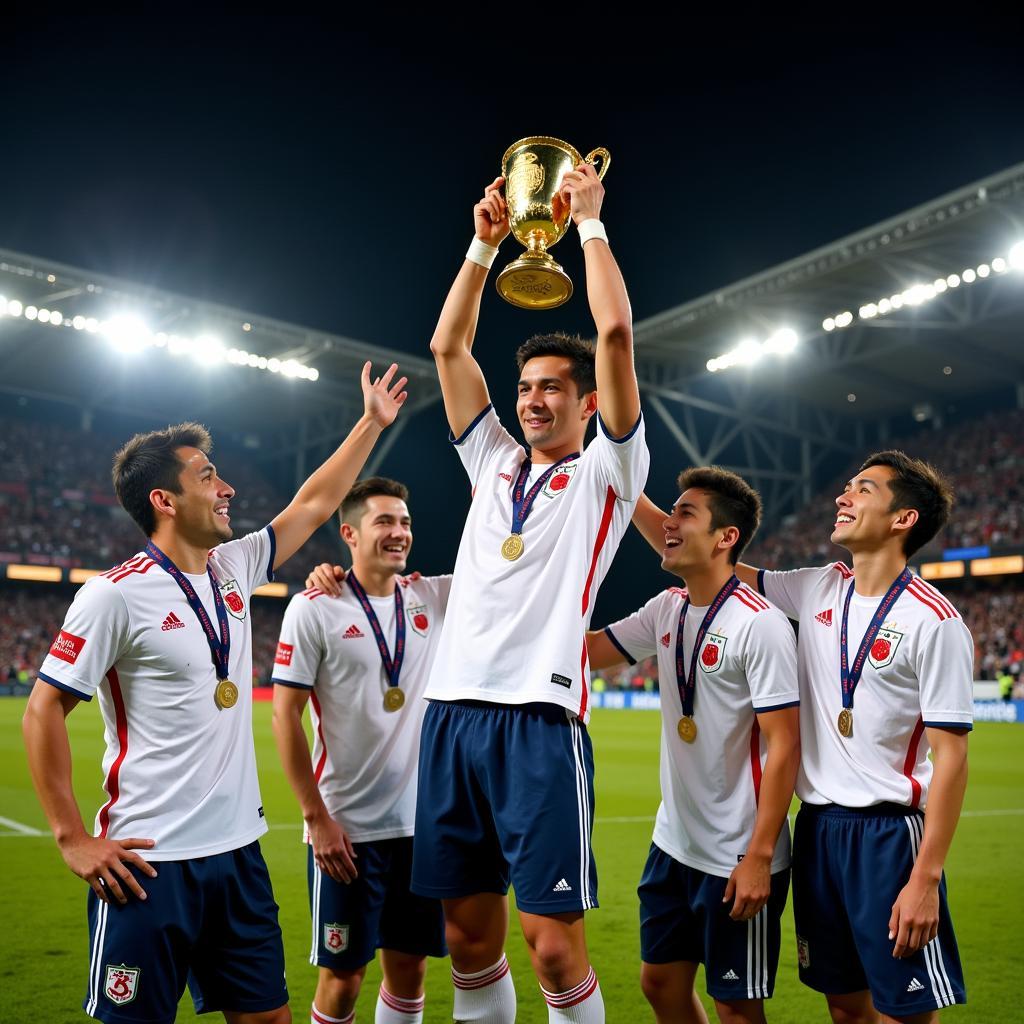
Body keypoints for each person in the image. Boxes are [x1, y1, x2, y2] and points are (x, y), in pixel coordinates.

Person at [22, 363, 408, 1024]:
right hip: (149, 867)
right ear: (164, 501)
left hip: (238, 856)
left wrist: (370, 423)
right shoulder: (114, 594)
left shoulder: (234, 566)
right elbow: (43, 709)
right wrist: (70, 837)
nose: (227, 488)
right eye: (208, 477)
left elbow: (313, 504)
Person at [412, 166, 649, 1023]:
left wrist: (588, 225)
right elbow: (447, 350)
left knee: (552, 946)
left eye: (552, 387)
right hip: (450, 715)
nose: (534, 398)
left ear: (587, 404)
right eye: (525, 388)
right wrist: (482, 242)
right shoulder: (493, 462)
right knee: (469, 941)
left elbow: (615, 335)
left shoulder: (608, 476)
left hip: (539, 725)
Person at [733, 450, 973, 1023]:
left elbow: (952, 759)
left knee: (903, 1012)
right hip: (817, 830)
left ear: (902, 519)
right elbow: (707, 562)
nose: (842, 497)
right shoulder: (818, 587)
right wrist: (631, 501)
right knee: (844, 1006)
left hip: (888, 839)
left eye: (862, 489)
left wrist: (926, 880)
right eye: (846, 487)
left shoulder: (934, 622)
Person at [593, 467, 800, 1024]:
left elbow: (785, 746)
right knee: (659, 983)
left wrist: (759, 858)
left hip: (737, 852)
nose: (669, 524)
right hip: (674, 842)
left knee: (735, 1006)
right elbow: (588, 652)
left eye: (685, 514)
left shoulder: (761, 626)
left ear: (725, 537)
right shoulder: (668, 607)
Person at [271, 477, 450, 1024]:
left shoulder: (432, 596)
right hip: (346, 832)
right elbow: (285, 715)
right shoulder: (314, 609)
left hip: (420, 830)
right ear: (349, 533)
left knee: (410, 968)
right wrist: (316, 819)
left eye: (405, 523)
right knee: (343, 978)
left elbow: (505, 567)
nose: (400, 533)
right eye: (384, 522)